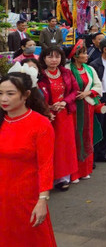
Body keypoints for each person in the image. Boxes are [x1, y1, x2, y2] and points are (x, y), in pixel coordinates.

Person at [0, 73, 58, 247]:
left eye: (10, 94)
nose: (4, 99)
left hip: (27, 197)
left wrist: (42, 200)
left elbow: (46, 165)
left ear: (26, 95)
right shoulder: (2, 121)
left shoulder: (40, 124)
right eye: (0, 93)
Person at [36, 46, 79, 192]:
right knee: (47, 147)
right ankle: (47, 178)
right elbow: (35, 96)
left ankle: (63, 178)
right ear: (43, 58)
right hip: (46, 116)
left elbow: (75, 90)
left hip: (65, 115)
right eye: (50, 57)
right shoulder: (39, 75)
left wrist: (65, 102)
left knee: (64, 147)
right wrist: (47, 108)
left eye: (57, 57)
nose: (54, 60)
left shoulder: (66, 72)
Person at [67, 41, 103, 184]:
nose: (86, 56)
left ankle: (85, 170)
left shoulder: (89, 69)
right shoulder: (67, 69)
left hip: (87, 107)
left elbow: (98, 85)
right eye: (83, 53)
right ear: (75, 56)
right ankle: (74, 173)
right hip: (73, 108)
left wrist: (88, 92)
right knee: (74, 137)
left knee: (87, 135)